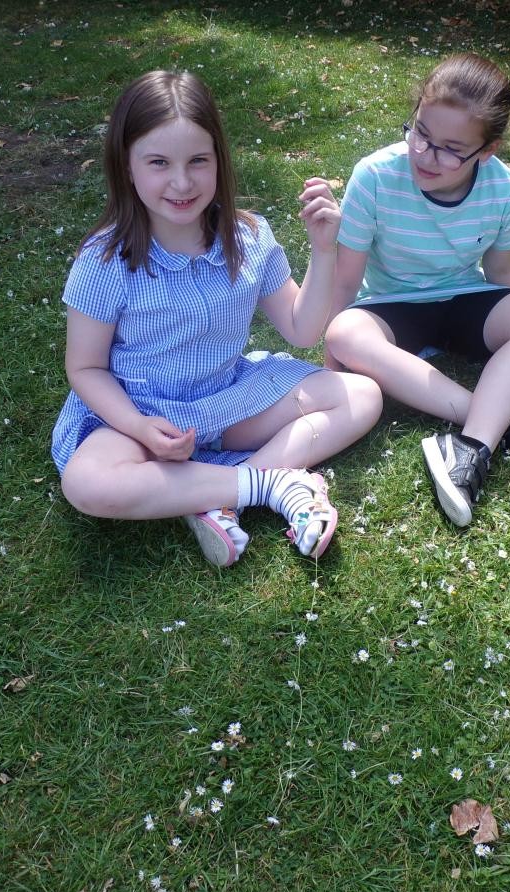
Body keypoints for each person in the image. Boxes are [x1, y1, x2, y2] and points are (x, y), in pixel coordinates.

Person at [51, 71, 382, 566]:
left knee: (362, 395)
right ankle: (266, 484)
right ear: (127, 166)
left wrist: (322, 249)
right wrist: (139, 427)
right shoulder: (105, 261)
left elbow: (302, 329)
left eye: (198, 161)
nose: (182, 182)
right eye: (159, 163)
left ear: (219, 160)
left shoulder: (248, 238)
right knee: (87, 483)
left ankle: (219, 496)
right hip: (134, 415)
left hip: (226, 404)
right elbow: (85, 368)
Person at [324, 53, 510, 527]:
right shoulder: (374, 176)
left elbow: (501, 271)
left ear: (487, 150)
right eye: (420, 133)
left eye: (451, 149)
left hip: (464, 302)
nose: (425, 155)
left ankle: (468, 446)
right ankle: (501, 422)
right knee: (344, 333)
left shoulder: (505, 190)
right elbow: (346, 280)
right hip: (390, 308)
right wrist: (331, 360)